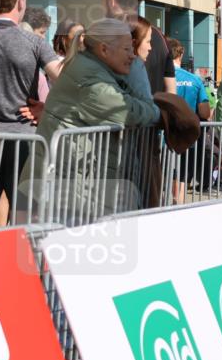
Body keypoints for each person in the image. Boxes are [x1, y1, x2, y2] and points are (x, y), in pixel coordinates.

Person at [20, 18, 161, 220]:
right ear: (104, 50)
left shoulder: (93, 68)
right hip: (60, 186)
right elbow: (127, 111)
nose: (133, 56)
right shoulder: (89, 77)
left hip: (67, 183)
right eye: (127, 50)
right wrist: (157, 112)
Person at [0, 0, 62, 226]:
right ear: (21, 2)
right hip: (25, 142)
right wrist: (48, 108)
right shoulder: (35, 42)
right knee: (25, 217)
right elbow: (64, 80)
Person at [101, 0, 175, 96]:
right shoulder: (158, 36)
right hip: (151, 112)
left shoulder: (102, 38)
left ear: (111, 2)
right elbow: (171, 90)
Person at [167, 38, 211, 203]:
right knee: (183, 175)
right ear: (182, 54)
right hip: (187, 137)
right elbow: (205, 112)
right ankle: (178, 206)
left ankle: (169, 204)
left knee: (166, 174)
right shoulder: (194, 80)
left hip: (163, 136)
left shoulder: (158, 77)